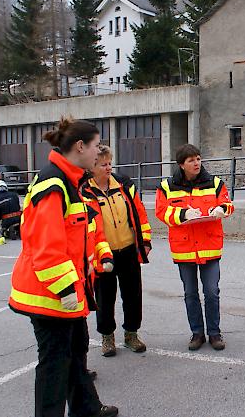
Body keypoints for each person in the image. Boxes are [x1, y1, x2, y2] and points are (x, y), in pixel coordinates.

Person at [8, 118, 118, 417]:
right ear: (80, 146)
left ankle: (87, 408)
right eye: (96, 145)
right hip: (51, 296)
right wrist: (66, 288)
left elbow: (82, 237)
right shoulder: (54, 184)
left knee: (76, 352)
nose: (99, 153)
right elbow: (46, 247)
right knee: (55, 366)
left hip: (67, 293)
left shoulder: (70, 181)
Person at [155, 144, 234, 352]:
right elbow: (161, 212)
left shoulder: (215, 183)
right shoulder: (166, 187)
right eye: (191, 160)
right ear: (181, 165)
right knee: (190, 293)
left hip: (209, 247)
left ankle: (215, 333)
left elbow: (228, 204)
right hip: (185, 249)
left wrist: (221, 209)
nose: (197, 163)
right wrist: (182, 215)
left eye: (198, 158)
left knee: (211, 292)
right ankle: (197, 333)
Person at [82, 145, 152, 357]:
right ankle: (107, 337)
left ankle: (131, 334)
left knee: (133, 295)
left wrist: (145, 242)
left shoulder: (124, 184)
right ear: (92, 167)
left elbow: (140, 214)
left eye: (110, 163)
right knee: (105, 298)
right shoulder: (85, 191)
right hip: (104, 254)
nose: (108, 167)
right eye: (103, 164)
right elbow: (88, 228)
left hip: (129, 250)